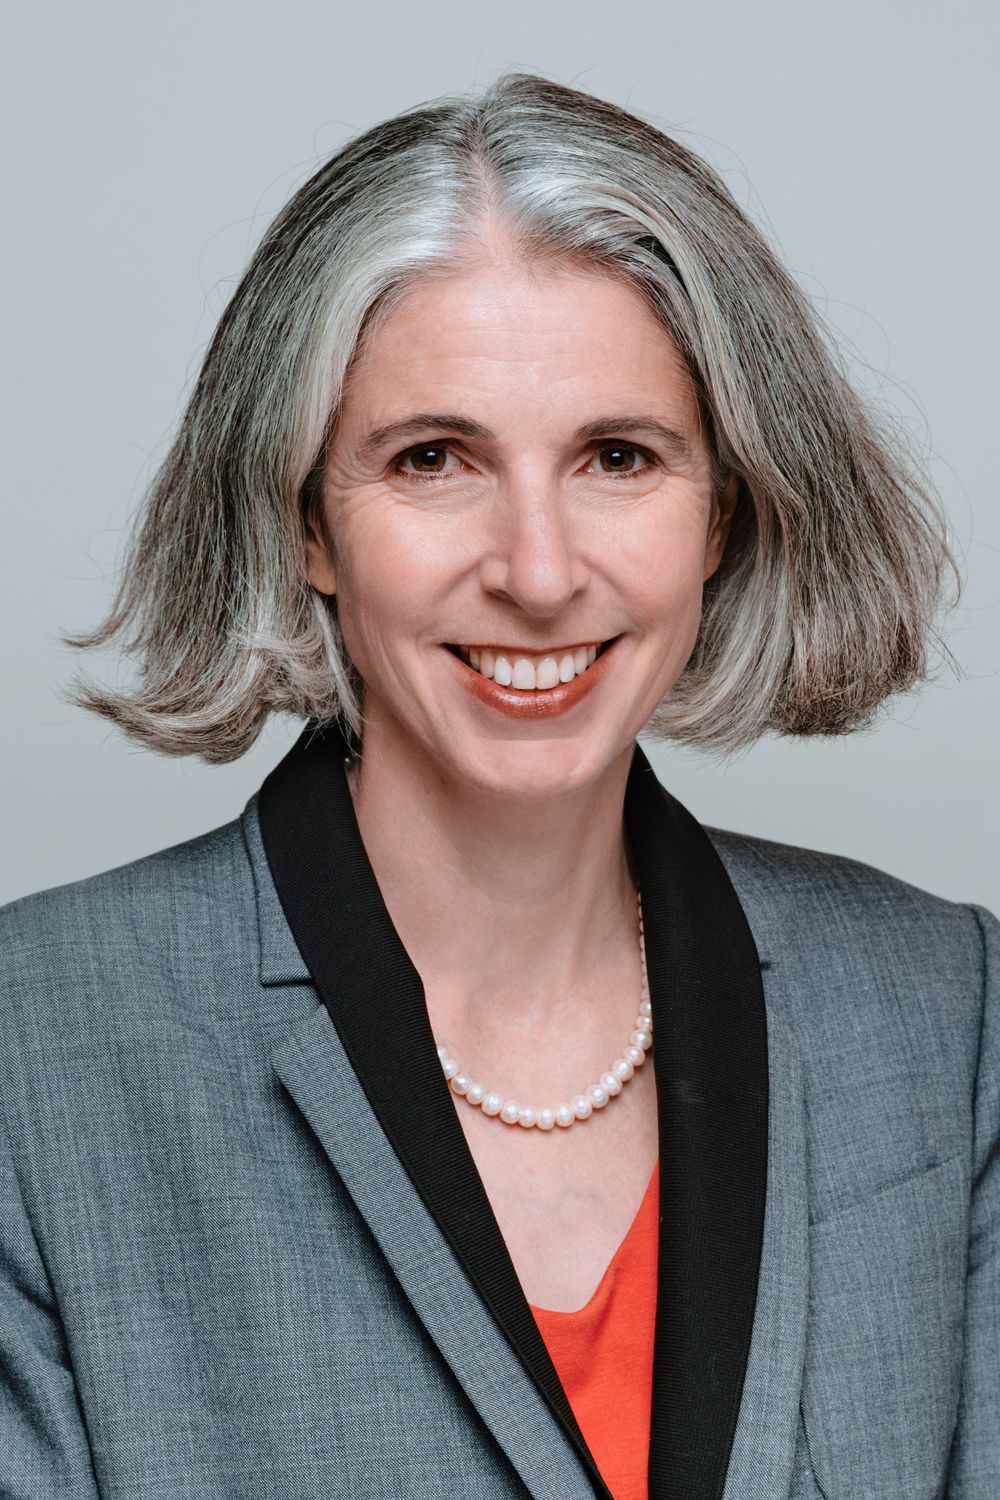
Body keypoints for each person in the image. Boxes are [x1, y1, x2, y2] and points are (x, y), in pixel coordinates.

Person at [0, 71, 995, 1500]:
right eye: (434, 459)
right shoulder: (33, 1057)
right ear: (307, 526)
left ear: (721, 511)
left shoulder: (947, 1012)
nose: (537, 572)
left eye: (616, 457)